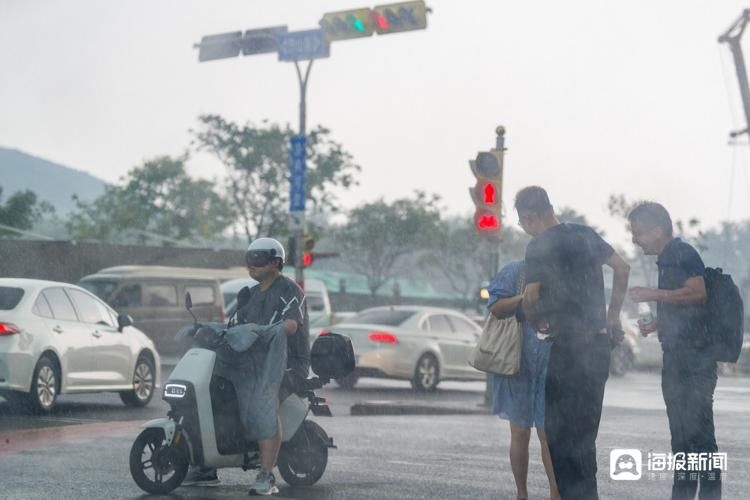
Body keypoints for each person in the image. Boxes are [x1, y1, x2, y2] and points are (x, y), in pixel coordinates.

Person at [515, 186, 630, 500]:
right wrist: (612, 315)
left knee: (558, 437)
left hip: (568, 351)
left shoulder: (539, 245)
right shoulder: (584, 235)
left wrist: (535, 319)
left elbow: (530, 296)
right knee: (584, 438)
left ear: (528, 217)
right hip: (597, 349)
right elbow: (622, 267)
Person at [183, 237, 310, 496]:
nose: (251, 264)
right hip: (251, 363)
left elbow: (291, 325)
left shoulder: (290, 290)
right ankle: (207, 466)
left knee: (266, 401)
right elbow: (234, 327)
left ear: (276, 262)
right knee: (212, 392)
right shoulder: (248, 295)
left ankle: (266, 475)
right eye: (249, 258)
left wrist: (261, 331)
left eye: (258, 258)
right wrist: (210, 331)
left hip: (287, 364)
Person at [627, 202, 721, 500]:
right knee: (682, 439)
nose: (634, 239)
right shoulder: (669, 257)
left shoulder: (680, 253)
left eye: (638, 232)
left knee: (699, 439)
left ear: (657, 231)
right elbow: (687, 306)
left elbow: (698, 292)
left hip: (693, 361)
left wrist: (650, 294)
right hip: (681, 357)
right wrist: (657, 322)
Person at [487, 260, 560, 500]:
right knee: (519, 432)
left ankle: (556, 493)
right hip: (518, 360)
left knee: (547, 434)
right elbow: (495, 306)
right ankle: (522, 494)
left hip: (551, 362)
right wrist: (525, 298)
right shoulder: (515, 271)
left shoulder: (562, 272)